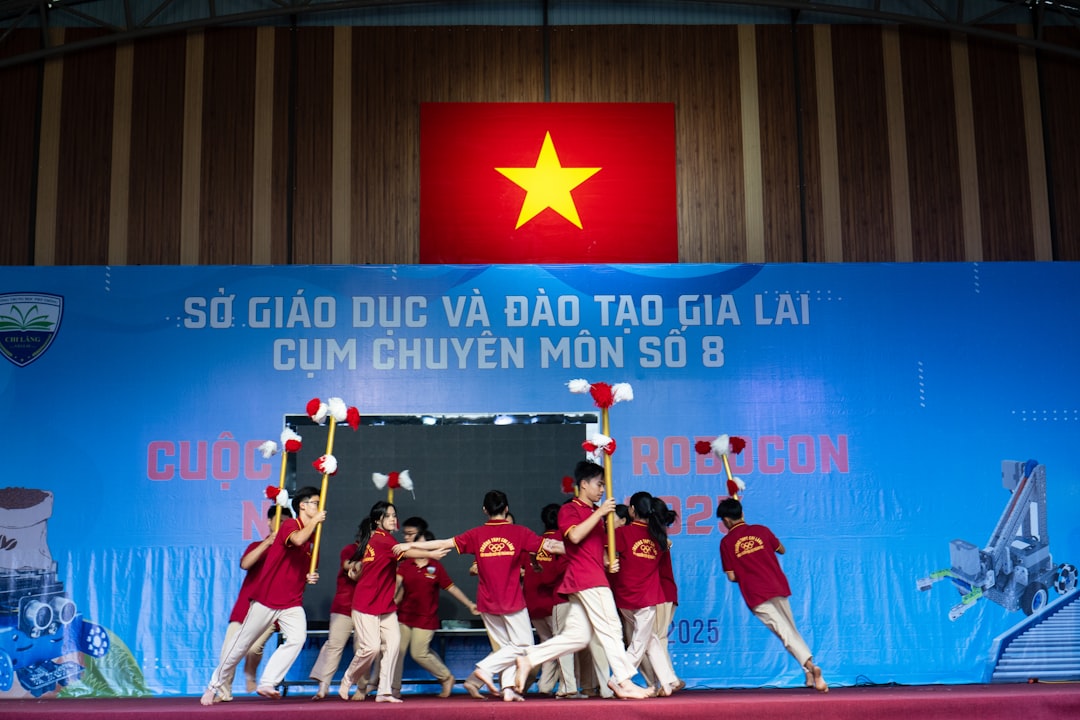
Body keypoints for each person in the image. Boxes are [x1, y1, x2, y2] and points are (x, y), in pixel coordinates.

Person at [394, 490, 562, 702]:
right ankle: (485, 669)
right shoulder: (520, 532)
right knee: (524, 647)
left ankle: (508, 688)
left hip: (487, 603)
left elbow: (444, 543)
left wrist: (409, 545)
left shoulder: (476, 534)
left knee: (507, 647)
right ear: (506, 508)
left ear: (485, 510)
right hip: (511, 601)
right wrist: (580, 551)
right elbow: (550, 546)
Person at [512, 461, 654, 700]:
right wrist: (600, 512)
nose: (601, 489)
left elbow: (590, 549)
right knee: (612, 628)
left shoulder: (594, 514)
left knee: (576, 637)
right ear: (583, 484)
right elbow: (575, 537)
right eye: (599, 484)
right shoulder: (571, 510)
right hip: (587, 579)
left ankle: (529, 659)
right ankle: (623, 680)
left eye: (603, 485)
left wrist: (608, 562)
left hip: (590, 575)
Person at [200, 487, 325, 705]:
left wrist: (309, 576)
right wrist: (314, 522)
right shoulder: (290, 525)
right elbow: (296, 540)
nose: (319, 506)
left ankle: (268, 681)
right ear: (303, 506)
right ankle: (214, 685)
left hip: (291, 602)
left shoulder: (313, 538)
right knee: (240, 644)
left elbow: (299, 568)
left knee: (297, 638)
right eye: (315, 502)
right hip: (267, 598)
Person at [337, 501, 449, 703]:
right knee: (370, 648)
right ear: (378, 520)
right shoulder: (381, 540)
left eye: (394, 515)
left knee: (394, 645)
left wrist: (431, 550)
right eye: (388, 515)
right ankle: (348, 678)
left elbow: (407, 547)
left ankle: (384, 691)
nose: (393, 519)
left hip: (386, 606)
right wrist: (430, 553)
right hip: (366, 604)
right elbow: (407, 551)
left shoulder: (383, 540)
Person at [716, 497, 828, 693]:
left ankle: (812, 667)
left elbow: (732, 576)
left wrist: (746, 566)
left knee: (785, 633)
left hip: (756, 594)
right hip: (777, 586)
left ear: (725, 521)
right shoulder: (762, 530)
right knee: (790, 630)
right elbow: (781, 549)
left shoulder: (726, 542)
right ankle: (808, 674)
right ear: (742, 513)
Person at [214, 505, 293, 700]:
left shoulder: (290, 551)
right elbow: (245, 564)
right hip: (246, 606)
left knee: (254, 647)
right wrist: (267, 543)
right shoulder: (257, 546)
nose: (281, 526)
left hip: (270, 607)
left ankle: (250, 672)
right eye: (279, 521)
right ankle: (223, 693)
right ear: (268, 522)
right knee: (228, 651)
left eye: (286, 523)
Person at [392, 527, 479, 698]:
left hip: (426, 618)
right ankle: (394, 689)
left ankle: (446, 677)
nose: (421, 547)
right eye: (417, 544)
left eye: (425, 543)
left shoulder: (435, 567)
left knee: (419, 653)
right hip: (405, 616)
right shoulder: (406, 565)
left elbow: (451, 588)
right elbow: (396, 585)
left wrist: (469, 604)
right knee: (397, 651)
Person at [610, 492, 679, 696]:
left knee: (649, 639)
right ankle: (618, 679)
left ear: (632, 510)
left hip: (625, 596)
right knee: (641, 641)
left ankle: (668, 682)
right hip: (646, 597)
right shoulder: (658, 537)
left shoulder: (621, 534)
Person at [307, 523, 364, 700]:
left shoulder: (379, 553)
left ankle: (361, 688)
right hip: (344, 606)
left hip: (366, 608)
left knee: (364, 648)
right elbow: (349, 566)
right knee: (334, 645)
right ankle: (323, 686)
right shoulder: (350, 549)